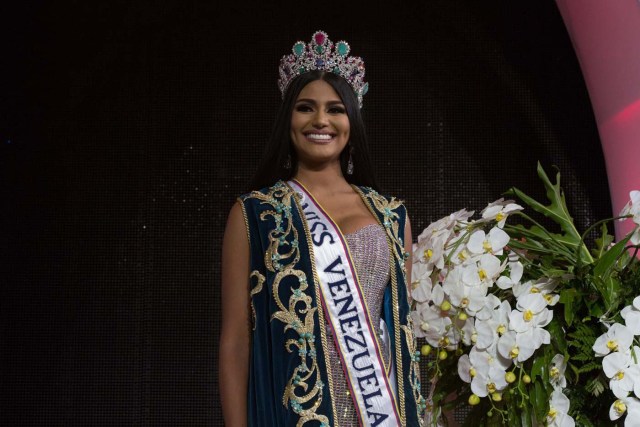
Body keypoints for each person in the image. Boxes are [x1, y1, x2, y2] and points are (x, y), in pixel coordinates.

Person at [220, 31, 425, 427]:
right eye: (305, 108)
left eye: (335, 109)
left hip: (382, 413)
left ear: (352, 119)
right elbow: (235, 342)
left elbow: (406, 334)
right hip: (295, 413)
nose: (320, 120)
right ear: (288, 120)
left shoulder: (392, 216)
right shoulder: (255, 215)